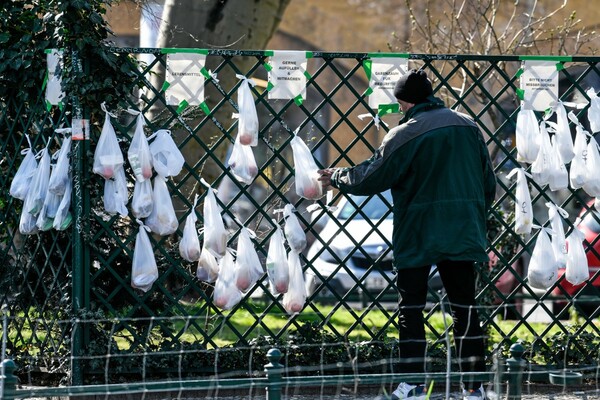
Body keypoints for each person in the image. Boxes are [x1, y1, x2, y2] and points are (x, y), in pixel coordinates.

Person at [318, 69, 496, 400]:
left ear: (404, 100)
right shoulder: (469, 127)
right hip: (461, 232)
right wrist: (474, 217)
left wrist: (337, 177)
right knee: (465, 311)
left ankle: (412, 385)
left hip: (419, 231)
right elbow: (489, 185)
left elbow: (373, 176)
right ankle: (474, 388)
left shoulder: (405, 133)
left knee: (411, 308)